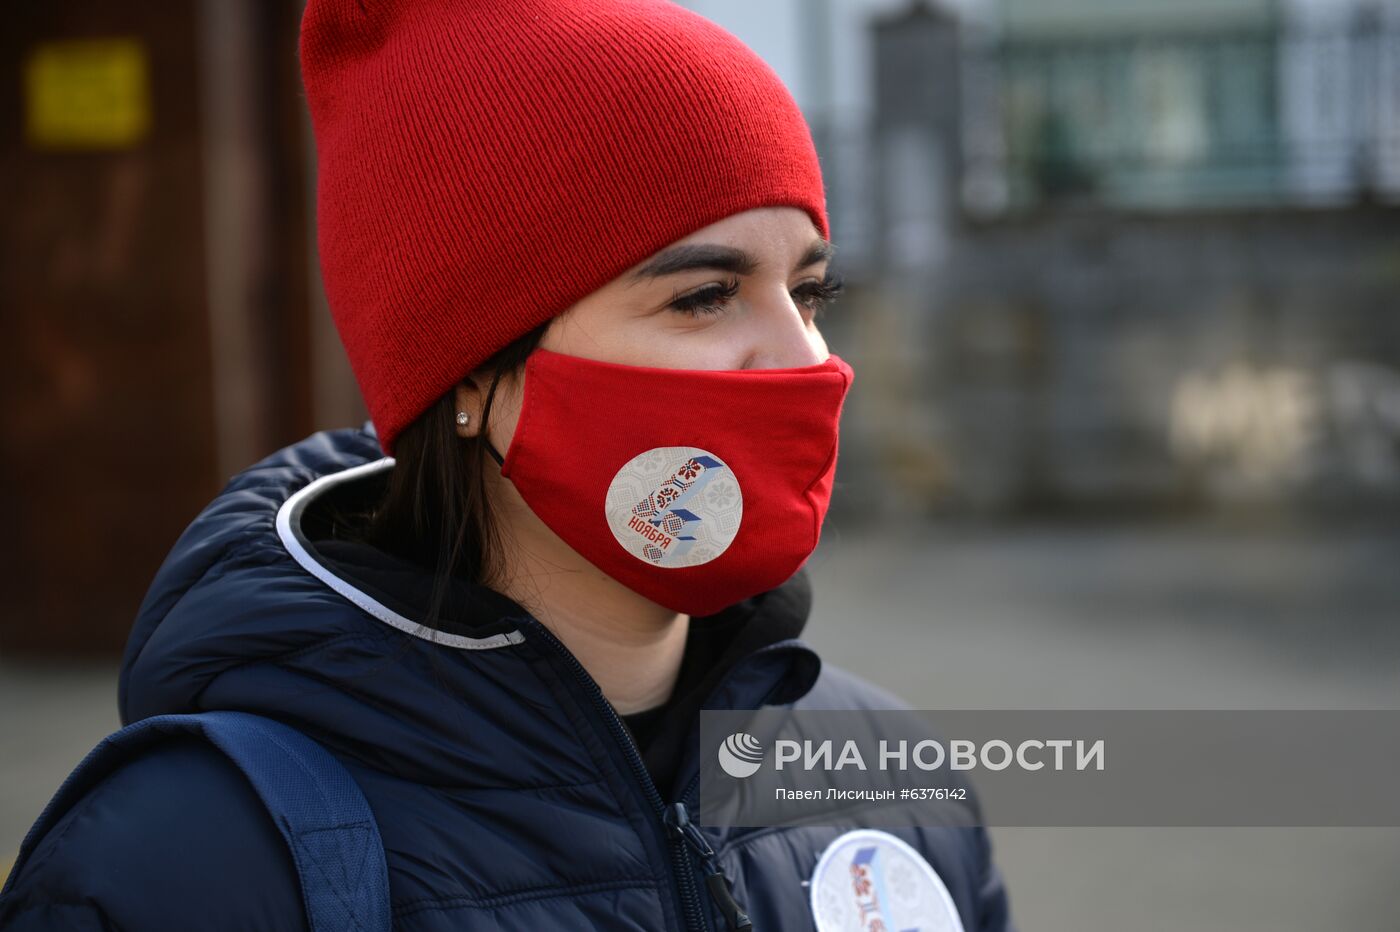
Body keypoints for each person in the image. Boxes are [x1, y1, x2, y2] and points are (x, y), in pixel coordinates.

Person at [0, 1, 1015, 929]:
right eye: (704, 296)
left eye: (809, 292)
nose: (805, 359)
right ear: (473, 374)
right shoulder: (186, 861)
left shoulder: (884, 772)